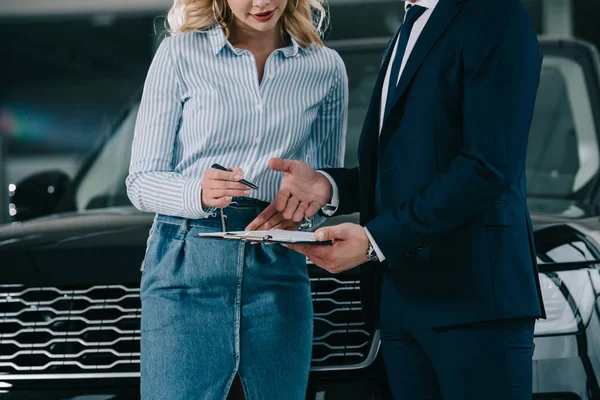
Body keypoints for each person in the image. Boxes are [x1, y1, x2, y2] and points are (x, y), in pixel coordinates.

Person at [247, 0, 546, 399]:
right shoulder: (410, 27)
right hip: (402, 304)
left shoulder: (495, 14)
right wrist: (327, 186)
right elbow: (408, 170)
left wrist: (375, 242)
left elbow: (487, 166)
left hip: (474, 301)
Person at [125, 0, 347, 398]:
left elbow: (324, 180)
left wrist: (313, 201)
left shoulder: (325, 67)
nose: (262, 3)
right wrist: (197, 191)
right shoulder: (180, 54)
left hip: (278, 267)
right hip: (185, 267)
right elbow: (141, 182)